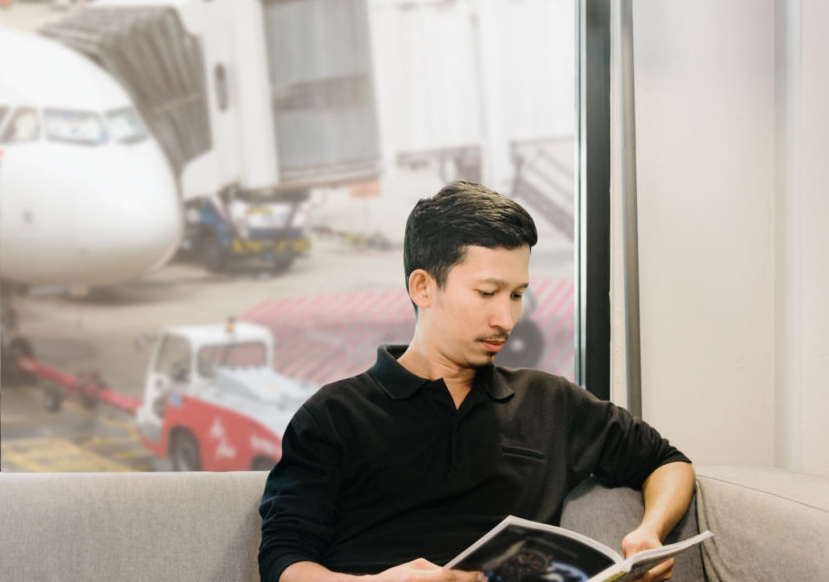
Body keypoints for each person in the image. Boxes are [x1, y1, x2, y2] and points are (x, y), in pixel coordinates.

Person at [258, 182, 695, 582]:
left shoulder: (549, 401)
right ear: (423, 288)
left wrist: (648, 533)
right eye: (487, 294)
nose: (505, 320)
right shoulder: (333, 415)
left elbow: (668, 461)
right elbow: (284, 561)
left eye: (517, 295)